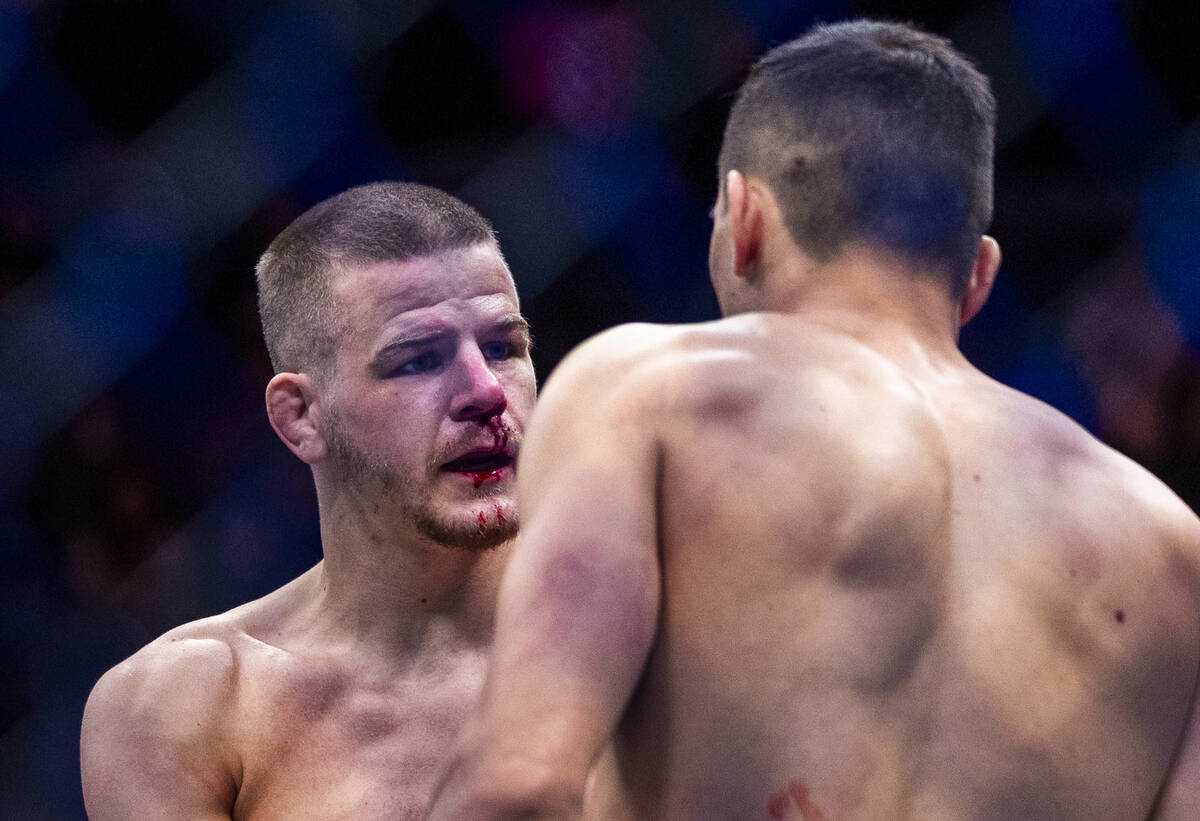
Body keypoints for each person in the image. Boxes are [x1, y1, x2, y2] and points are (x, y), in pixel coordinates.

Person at [427, 20, 1200, 821]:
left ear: (745, 218)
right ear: (979, 275)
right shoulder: (1172, 545)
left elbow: (517, 788)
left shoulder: (652, 391)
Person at [80, 182, 537, 820]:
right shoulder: (190, 705)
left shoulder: (652, 622)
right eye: (418, 361)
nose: (486, 392)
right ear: (302, 417)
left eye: (503, 348)